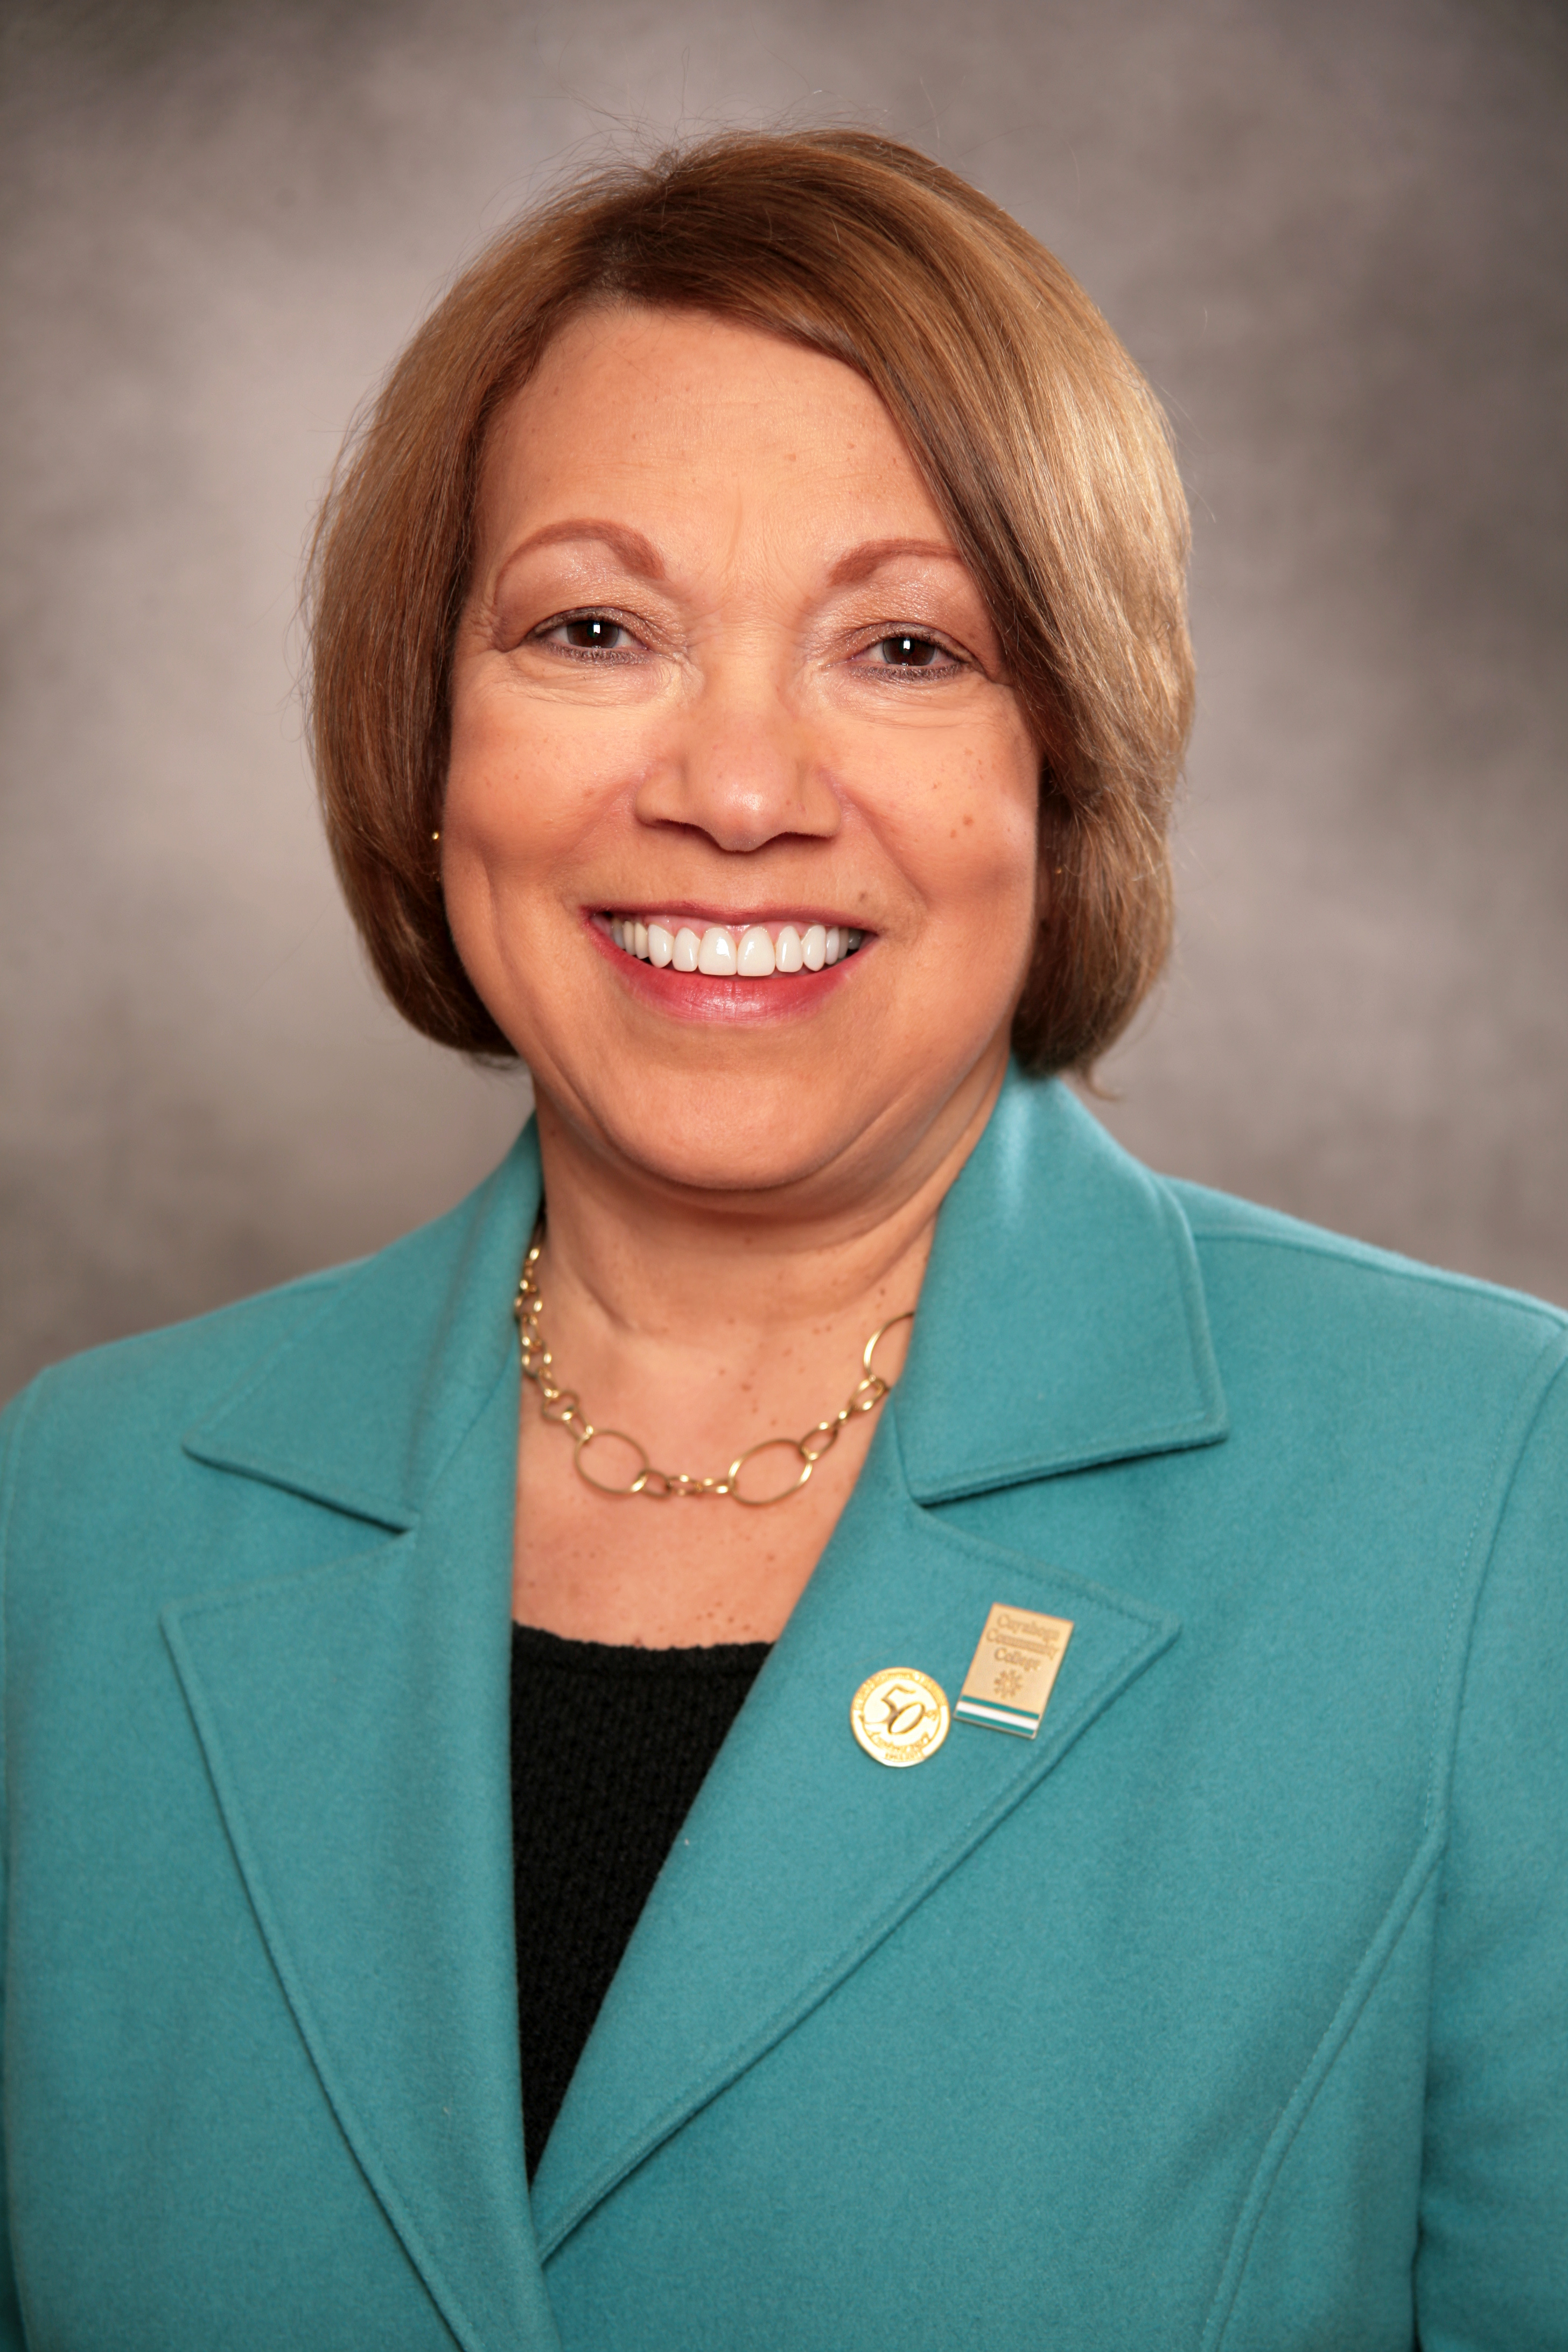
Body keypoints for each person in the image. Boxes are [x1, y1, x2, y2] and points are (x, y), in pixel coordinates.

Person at [0, 128, 1562, 2352]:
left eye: (905, 644)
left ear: (1063, 756)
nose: (736, 787)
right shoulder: (76, 1515)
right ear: (426, 728)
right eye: (594, 628)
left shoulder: (1494, 1499)